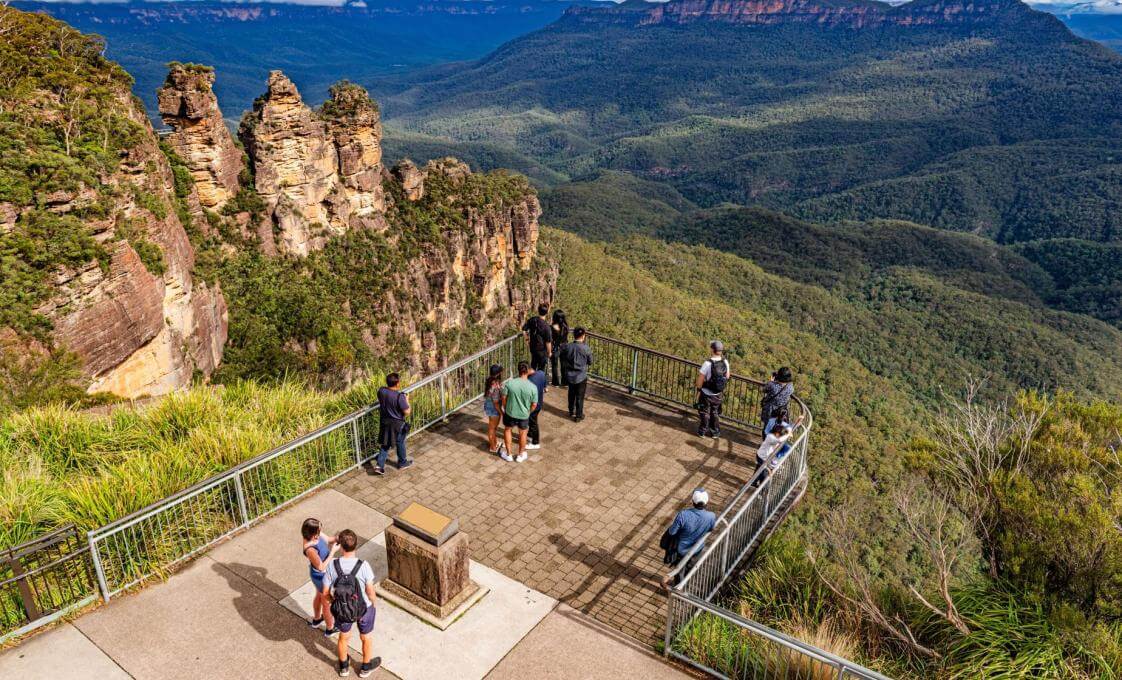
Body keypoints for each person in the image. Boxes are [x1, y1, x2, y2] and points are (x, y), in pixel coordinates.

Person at [323, 529, 380, 678]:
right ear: (356, 545)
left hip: (342, 608)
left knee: (344, 637)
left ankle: (344, 667)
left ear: (340, 546)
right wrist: (373, 603)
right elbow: (370, 591)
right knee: (366, 637)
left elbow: (325, 592)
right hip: (364, 608)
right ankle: (365, 668)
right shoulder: (364, 565)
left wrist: (334, 602)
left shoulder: (332, 565)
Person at [662, 489, 716, 586]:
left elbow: (672, 532)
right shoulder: (711, 516)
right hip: (697, 549)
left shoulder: (683, 514)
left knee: (679, 570)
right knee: (690, 569)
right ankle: (685, 585)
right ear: (706, 502)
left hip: (681, 550)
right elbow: (711, 528)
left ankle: (678, 588)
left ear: (693, 501)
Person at [301, 518, 339, 636]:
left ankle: (317, 619)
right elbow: (321, 567)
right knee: (327, 603)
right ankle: (330, 629)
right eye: (319, 530)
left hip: (322, 575)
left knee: (319, 596)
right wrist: (333, 552)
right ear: (313, 533)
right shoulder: (310, 549)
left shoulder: (315, 534)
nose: (320, 531)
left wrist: (338, 538)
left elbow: (328, 539)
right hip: (321, 576)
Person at [375, 373, 413, 475]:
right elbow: (407, 412)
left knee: (385, 443)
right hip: (397, 424)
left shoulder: (381, 391)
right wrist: (407, 400)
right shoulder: (399, 396)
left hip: (385, 421)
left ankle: (379, 466)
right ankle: (402, 463)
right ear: (397, 383)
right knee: (400, 442)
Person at [500, 361, 538, 462]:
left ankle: (508, 454)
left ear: (519, 370)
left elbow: (503, 397)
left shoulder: (509, 383)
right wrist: (528, 412)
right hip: (524, 415)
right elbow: (534, 404)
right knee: (523, 433)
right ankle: (520, 455)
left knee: (508, 430)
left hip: (510, 413)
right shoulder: (533, 387)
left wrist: (506, 407)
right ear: (528, 370)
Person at [753, 415, 803, 486]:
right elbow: (780, 440)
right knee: (764, 473)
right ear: (776, 433)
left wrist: (797, 421)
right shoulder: (770, 437)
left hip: (764, 457)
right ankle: (763, 487)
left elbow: (789, 428)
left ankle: (754, 482)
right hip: (762, 457)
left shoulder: (774, 436)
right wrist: (788, 435)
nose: (781, 436)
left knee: (759, 470)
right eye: (780, 435)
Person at [695, 341, 729, 439]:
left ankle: (702, 431)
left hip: (706, 393)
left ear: (712, 350)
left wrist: (698, 389)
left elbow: (700, 380)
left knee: (704, 412)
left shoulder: (707, 363)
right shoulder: (725, 362)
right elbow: (727, 376)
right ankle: (715, 433)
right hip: (718, 393)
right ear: (721, 351)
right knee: (714, 412)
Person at [559, 327, 593, 421]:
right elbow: (590, 362)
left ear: (574, 335)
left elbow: (562, 356)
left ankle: (571, 411)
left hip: (570, 375)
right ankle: (578, 415)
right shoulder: (586, 348)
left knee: (571, 394)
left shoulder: (568, 346)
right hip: (581, 376)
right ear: (583, 336)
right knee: (580, 396)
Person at [761, 367, 794, 437]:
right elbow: (789, 384)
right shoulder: (790, 387)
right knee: (777, 428)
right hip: (781, 412)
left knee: (767, 427)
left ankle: (766, 440)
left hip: (770, 411)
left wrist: (771, 381)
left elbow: (764, 389)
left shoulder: (772, 385)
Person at [522, 303, 553, 373]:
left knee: (533, 366)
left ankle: (531, 378)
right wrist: (549, 352)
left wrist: (527, 340)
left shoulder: (533, 320)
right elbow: (548, 342)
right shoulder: (546, 327)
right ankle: (539, 379)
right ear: (547, 312)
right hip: (542, 351)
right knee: (541, 370)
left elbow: (524, 329)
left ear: (538, 310)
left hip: (533, 348)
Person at [483, 364, 504, 455]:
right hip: (493, 408)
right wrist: (502, 413)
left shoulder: (490, 379)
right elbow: (495, 403)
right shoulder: (494, 385)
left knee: (494, 427)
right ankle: (492, 447)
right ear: (498, 373)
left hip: (490, 406)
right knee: (492, 428)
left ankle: (495, 442)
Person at [527, 365, 548, 450]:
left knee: (533, 423)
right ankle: (530, 434)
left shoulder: (529, 381)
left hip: (533, 406)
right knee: (533, 421)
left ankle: (535, 442)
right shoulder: (541, 373)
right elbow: (545, 387)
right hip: (539, 403)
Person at [549, 310, 569, 387]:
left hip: (555, 347)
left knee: (554, 365)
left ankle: (555, 382)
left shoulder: (552, 327)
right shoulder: (566, 326)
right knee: (564, 365)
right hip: (565, 346)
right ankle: (565, 382)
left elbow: (550, 339)